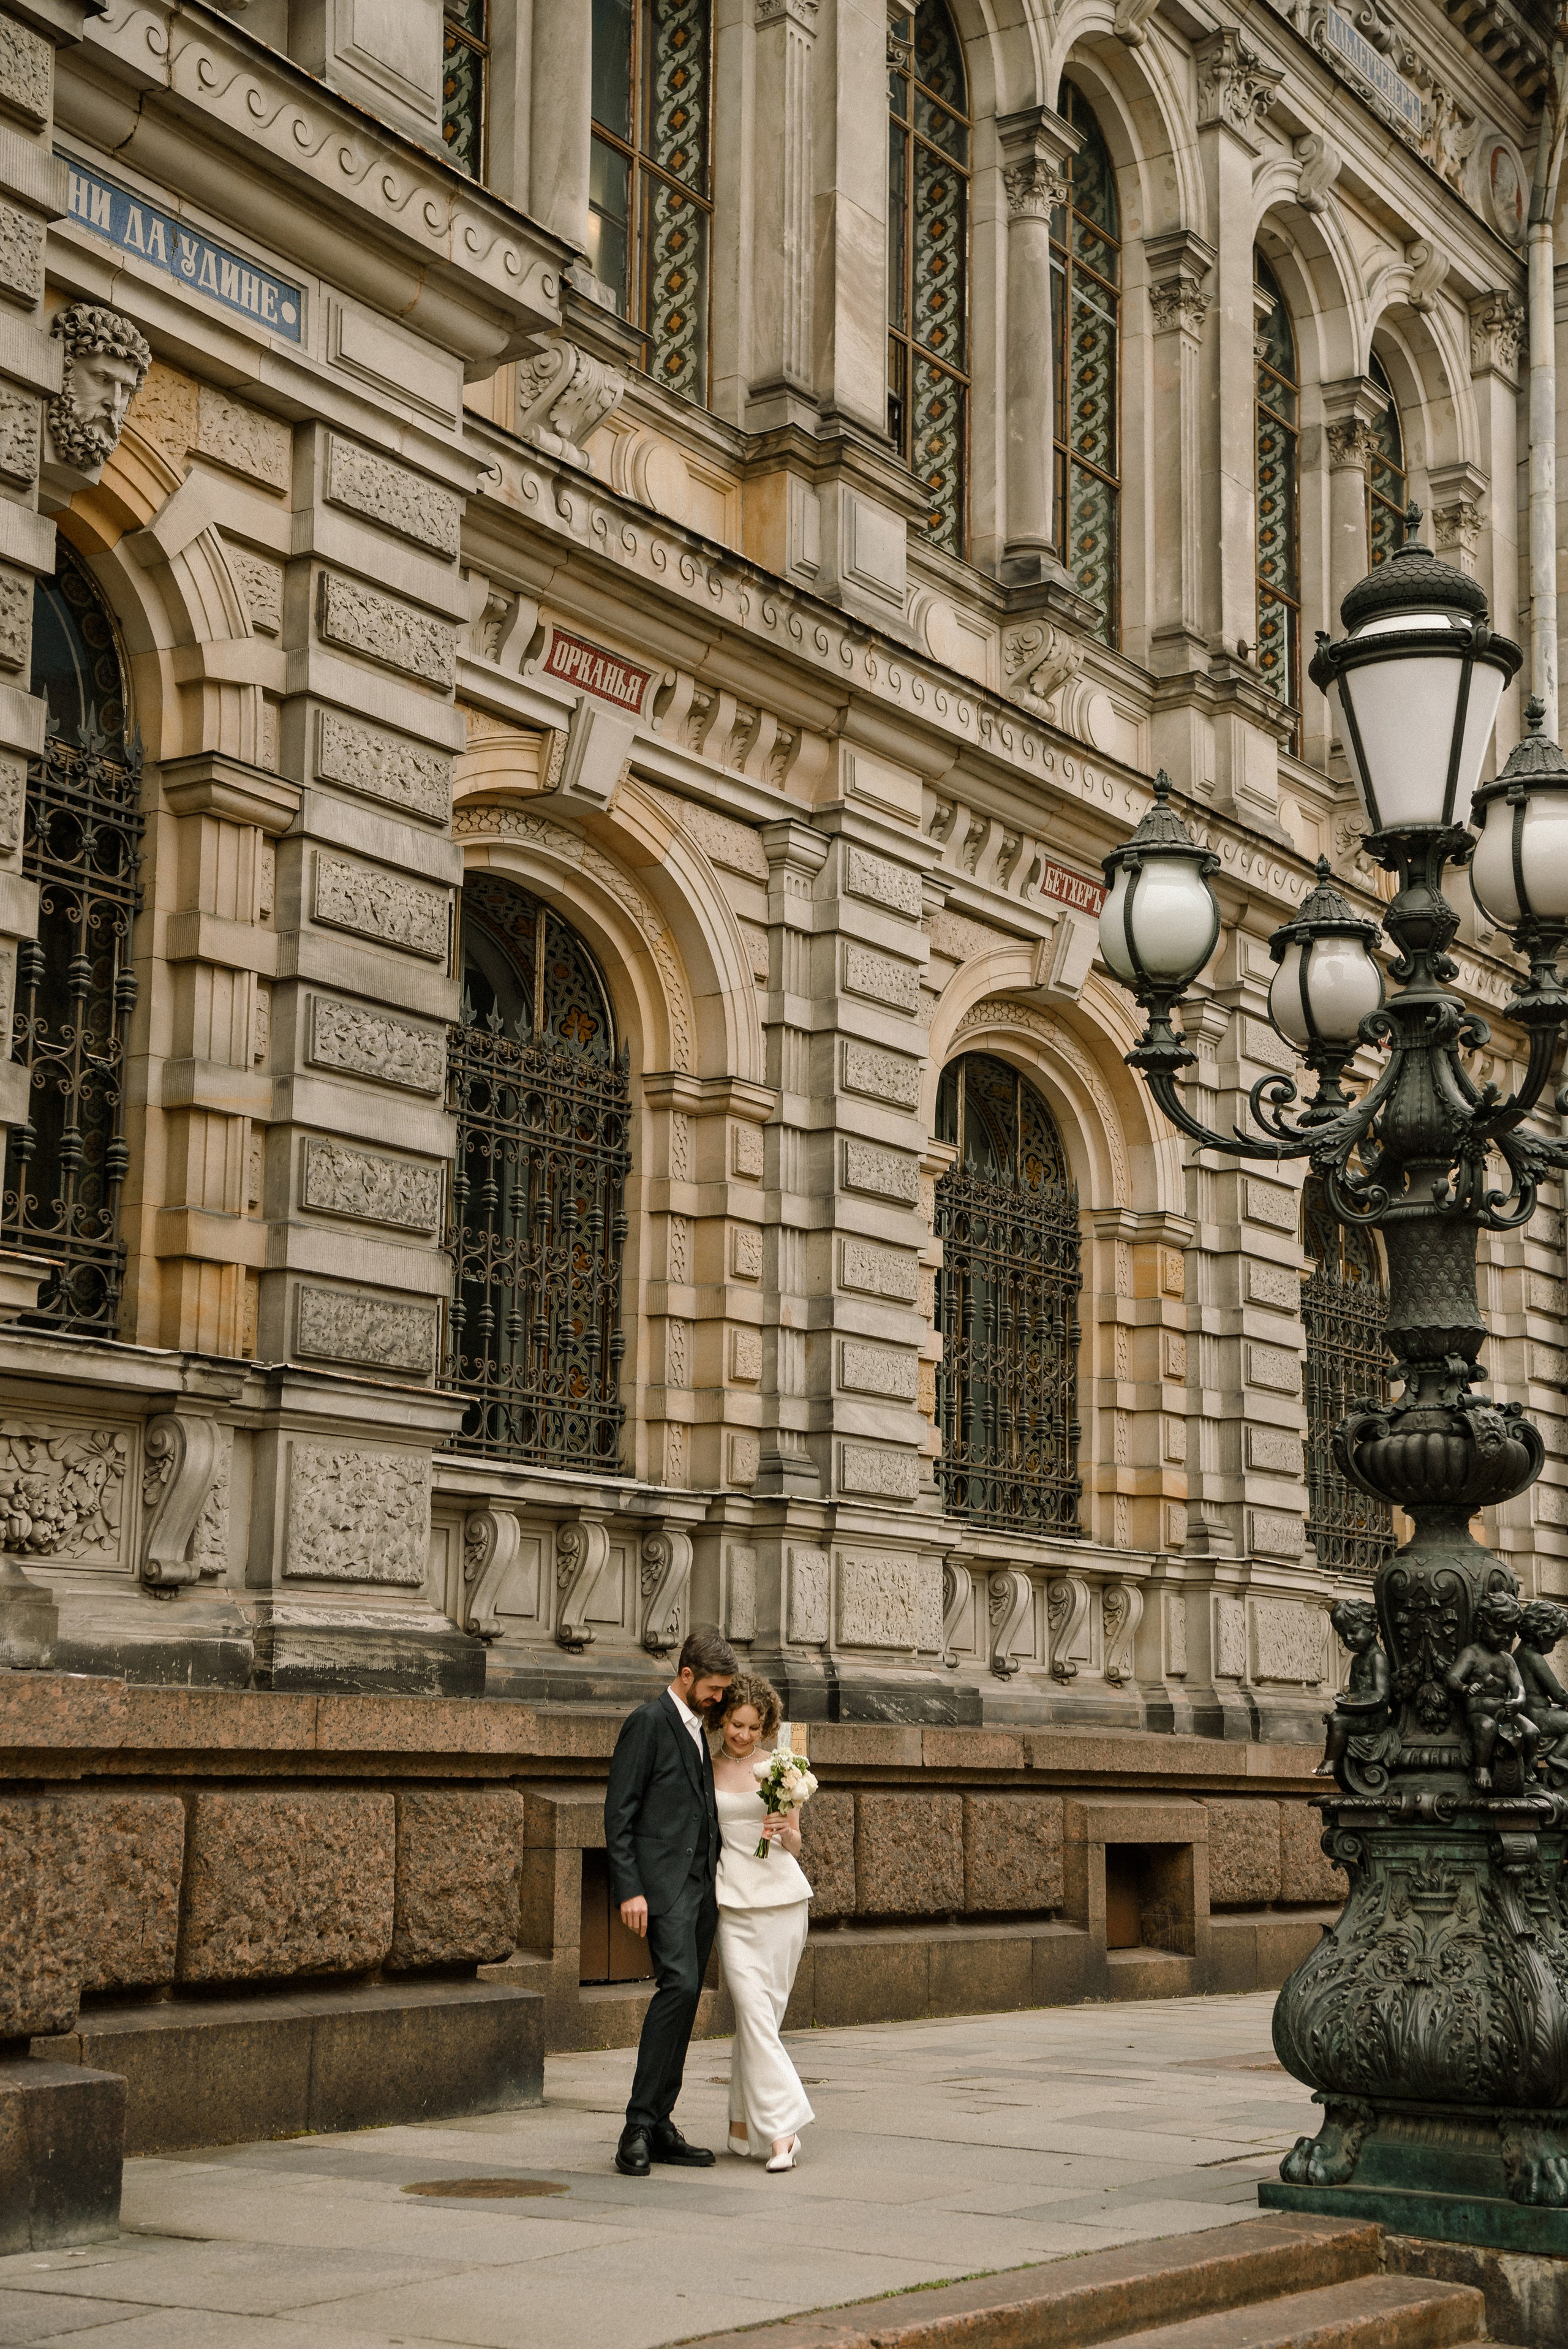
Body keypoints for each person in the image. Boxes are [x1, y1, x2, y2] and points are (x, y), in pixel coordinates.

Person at [604, 1626, 737, 2177]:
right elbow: (619, 1813)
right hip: (662, 1887)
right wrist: (630, 1888)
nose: (719, 1699)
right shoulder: (648, 1722)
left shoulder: (699, 1729)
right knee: (678, 1984)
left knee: (686, 1999)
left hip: (701, 1887)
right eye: (713, 1688)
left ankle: (661, 2120)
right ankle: (636, 2124)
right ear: (686, 1675)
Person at [711, 1672, 815, 2173]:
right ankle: (783, 2132)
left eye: (753, 1727)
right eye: (736, 1724)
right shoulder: (704, 1768)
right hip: (733, 1903)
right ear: (722, 1719)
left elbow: (797, 1843)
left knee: (760, 2023)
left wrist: (782, 1830)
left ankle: (739, 2121)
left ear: (766, 1725)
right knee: (753, 2015)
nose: (744, 1735)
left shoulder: (781, 1767)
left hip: (784, 1901)